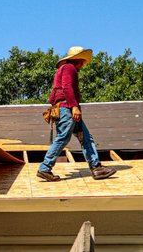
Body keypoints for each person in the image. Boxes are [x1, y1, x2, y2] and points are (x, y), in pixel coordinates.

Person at [37, 46, 116, 182]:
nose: (82, 64)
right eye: (81, 61)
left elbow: (54, 96)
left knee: (86, 138)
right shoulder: (69, 68)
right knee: (63, 137)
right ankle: (45, 168)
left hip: (68, 108)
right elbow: (67, 87)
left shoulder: (66, 69)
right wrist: (74, 107)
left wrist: (75, 107)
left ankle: (96, 168)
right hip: (66, 108)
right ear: (76, 59)